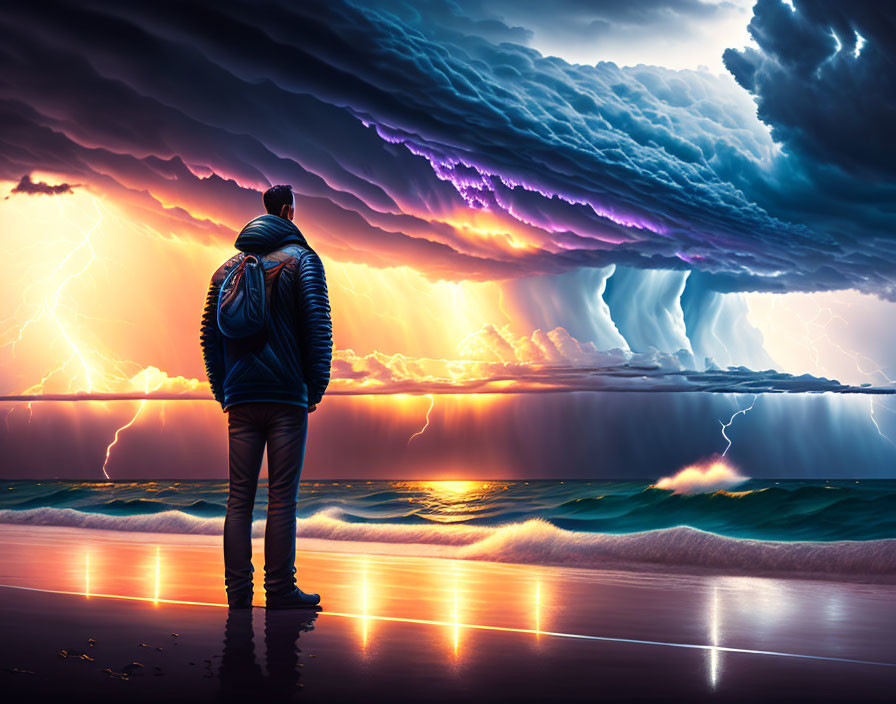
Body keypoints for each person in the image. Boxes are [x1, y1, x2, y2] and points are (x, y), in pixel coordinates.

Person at [200, 184, 332, 609]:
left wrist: (225, 391)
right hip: (286, 397)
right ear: (288, 211)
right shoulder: (303, 261)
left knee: (238, 498)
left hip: (240, 398)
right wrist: (315, 387)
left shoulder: (226, 270)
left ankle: (237, 593)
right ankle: (279, 590)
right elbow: (318, 328)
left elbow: (209, 338)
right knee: (281, 498)